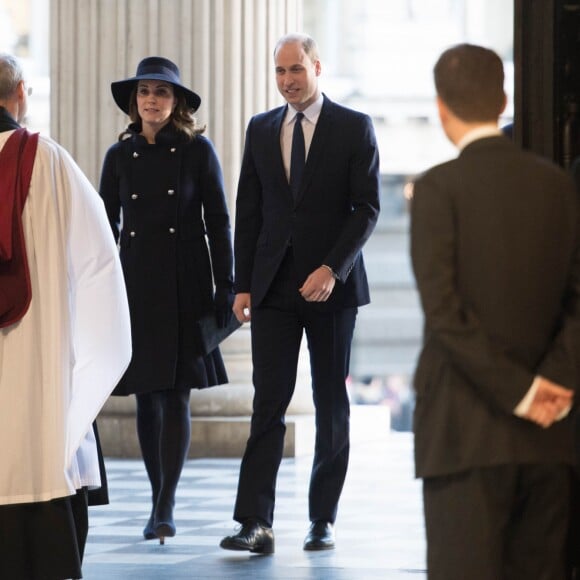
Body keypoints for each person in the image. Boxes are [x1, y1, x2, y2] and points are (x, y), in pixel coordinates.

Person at [410, 43, 580, 579]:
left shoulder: (438, 189)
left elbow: (444, 314)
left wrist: (519, 392)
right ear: (504, 98)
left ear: (441, 108)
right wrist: (548, 384)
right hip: (552, 434)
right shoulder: (558, 184)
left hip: (463, 436)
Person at [219, 33, 380, 554]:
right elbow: (249, 209)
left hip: (331, 289)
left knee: (331, 401)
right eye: (280, 72)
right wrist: (242, 283)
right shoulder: (261, 128)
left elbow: (366, 208)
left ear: (316, 66)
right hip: (271, 288)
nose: (287, 80)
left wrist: (332, 267)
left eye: (296, 69)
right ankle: (254, 522)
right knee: (268, 402)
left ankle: (322, 519)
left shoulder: (354, 127)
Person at [0, 53, 131, 580]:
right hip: (37, 390)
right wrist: (76, 400)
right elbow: (101, 272)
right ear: (21, 93)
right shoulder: (48, 161)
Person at [99, 56, 235, 544]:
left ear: (175, 101)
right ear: (134, 102)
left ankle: (165, 504)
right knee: (146, 394)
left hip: (185, 280)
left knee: (175, 393)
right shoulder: (119, 156)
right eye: (143, 92)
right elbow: (104, 229)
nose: (151, 99)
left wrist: (227, 284)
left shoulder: (198, 151)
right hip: (135, 280)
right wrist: (98, 292)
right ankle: (158, 497)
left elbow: (218, 220)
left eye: (160, 92)